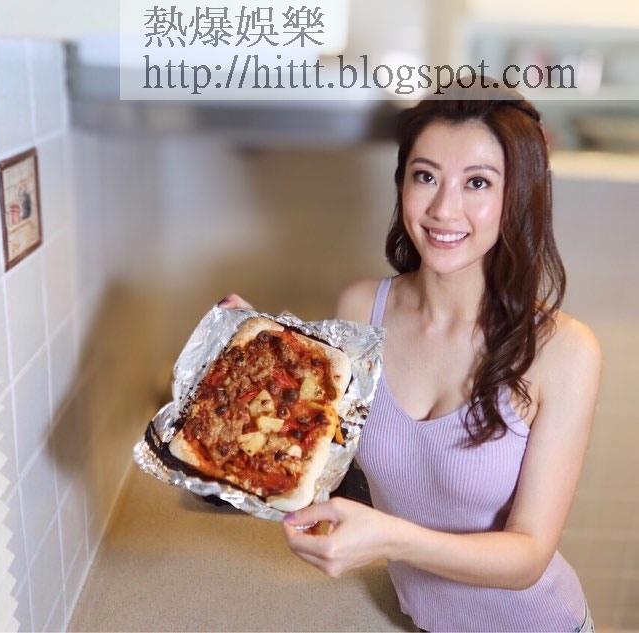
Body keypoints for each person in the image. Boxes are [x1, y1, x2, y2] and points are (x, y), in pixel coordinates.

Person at [218, 85, 601, 632]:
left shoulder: (564, 351)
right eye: (425, 176)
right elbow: (324, 453)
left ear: (518, 196)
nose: (444, 209)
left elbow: (527, 558)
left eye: (477, 182)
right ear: (402, 185)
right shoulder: (361, 310)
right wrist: (255, 360)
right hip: (419, 621)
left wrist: (389, 538)